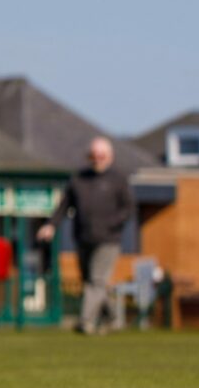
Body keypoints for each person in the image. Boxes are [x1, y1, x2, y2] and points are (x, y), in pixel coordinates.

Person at [38, 137, 132, 336]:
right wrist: (50, 225)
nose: (98, 159)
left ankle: (85, 322)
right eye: (94, 155)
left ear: (110, 157)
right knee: (92, 282)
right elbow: (64, 206)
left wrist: (111, 224)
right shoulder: (79, 179)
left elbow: (128, 209)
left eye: (102, 155)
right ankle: (114, 317)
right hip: (83, 238)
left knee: (96, 281)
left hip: (108, 240)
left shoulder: (118, 180)